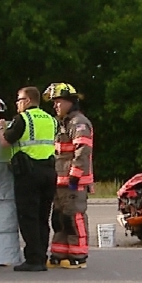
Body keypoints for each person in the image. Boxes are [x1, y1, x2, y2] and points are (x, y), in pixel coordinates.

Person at [0, 87, 57, 272]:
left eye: (19, 99)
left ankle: (33, 259)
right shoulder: (51, 119)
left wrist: (0, 128)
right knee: (42, 218)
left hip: (29, 173)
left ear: (28, 101)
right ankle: (41, 256)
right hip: (49, 172)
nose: (17, 103)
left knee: (28, 217)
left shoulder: (23, 119)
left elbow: (5, 141)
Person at [44, 82, 94, 269]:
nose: (55, 105)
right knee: (59, 219)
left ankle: (78, 256)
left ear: (70, 102)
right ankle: (59, 253)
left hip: (74, 182)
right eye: (54, 102)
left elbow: (83, 150)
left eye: (58, 102)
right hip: (60, 180)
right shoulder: (62, 123)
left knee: (74, 218)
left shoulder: (79, 123)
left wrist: (74, 176)